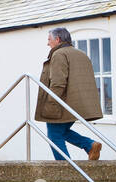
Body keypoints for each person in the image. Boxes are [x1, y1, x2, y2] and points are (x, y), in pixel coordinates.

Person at [34, 27, 103, 161]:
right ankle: (90, 145)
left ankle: (65, 167)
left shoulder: (59, 54)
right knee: (62, 132)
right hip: (76, 105)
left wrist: (50, 104)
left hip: (61, 104)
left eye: (49, 39)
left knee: (54, 136)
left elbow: (58, 83)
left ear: (58, 39)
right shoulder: (80, 54)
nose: (48, 43)